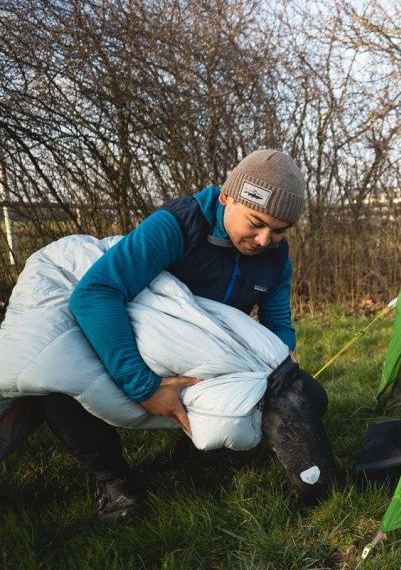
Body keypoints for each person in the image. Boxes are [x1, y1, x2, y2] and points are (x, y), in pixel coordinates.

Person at [37, 149, 326, 520]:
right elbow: (95, 294)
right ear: (226, 196)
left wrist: (283, 354)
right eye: (256, 222)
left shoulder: (275, 257)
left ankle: (219, 445)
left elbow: (278, 325)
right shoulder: (178, 225)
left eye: (279, 231)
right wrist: (145, 387)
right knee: (55, 381)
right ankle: (114, 480)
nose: (264, 239)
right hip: (139, 355)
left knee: (312, 397)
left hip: (210, 363)